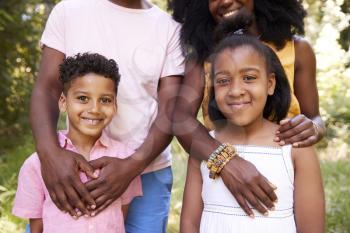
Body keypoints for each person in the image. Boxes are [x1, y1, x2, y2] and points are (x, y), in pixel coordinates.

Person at [29, 0, 183, 232]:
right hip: (72, 169)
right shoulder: (69, 11)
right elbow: (47, 88)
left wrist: (133, 165)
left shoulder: (169, 28)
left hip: (148, 170)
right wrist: (50, 155)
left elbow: (170, 110)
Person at [170, 0, 325, 216]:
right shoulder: (202, 57)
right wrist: (226, 162)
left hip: (286, 175)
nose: (224, 1)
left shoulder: (297, 49)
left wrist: (314, 128)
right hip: (218, 180)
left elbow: (314, 117)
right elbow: (181, 119)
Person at [13, 53, 142, 233]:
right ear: (63, 102)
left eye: (105, 100)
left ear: (115, 106)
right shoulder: (36, 164)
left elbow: (121, 215)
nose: (94, 109)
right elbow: (36, 227)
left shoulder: (125, 161)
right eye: (82, 98)